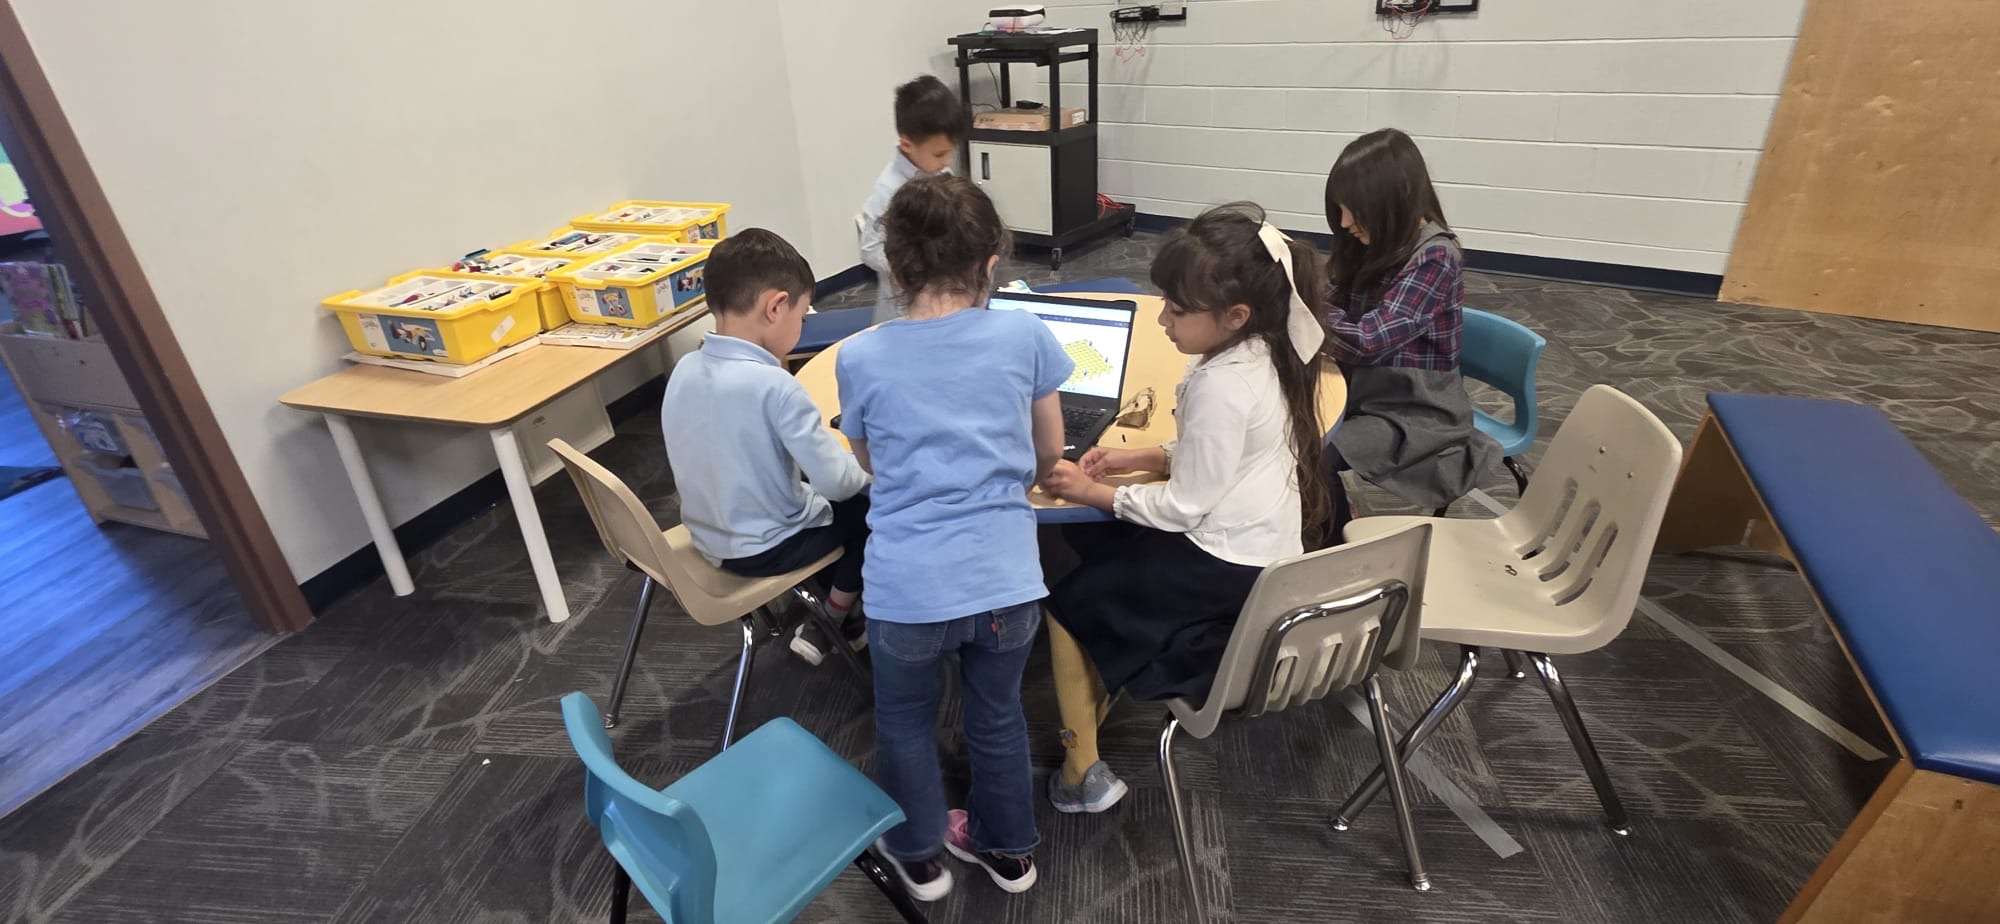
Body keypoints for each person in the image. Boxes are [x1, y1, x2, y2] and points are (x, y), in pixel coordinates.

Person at [1038, 203, 1332, 813]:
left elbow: (1184, 507)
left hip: (1228, 564)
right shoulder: (1267, 349)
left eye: (1176, 310)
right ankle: (1107, 676)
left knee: (1066, 605)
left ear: (1235, 315)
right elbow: (1222, 454)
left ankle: (1081, 771)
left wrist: (1092, 492)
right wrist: (1138, 456)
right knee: (1101, 544)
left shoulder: (1220, 385)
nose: (1163, 320)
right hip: (1264, 548)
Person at [836, 174, 1066, 900]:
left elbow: (869, 462)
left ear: (894, 267)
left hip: (906, 589)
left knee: (905, 721)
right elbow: (1049, 453)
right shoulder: (1025, 334)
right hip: (1007, 582)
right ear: (991, 263)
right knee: (997, 716)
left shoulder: (860, 355)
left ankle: (920, 856)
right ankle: (1008, 852)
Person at [658, 229, 870, 665]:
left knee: (818, 491)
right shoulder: (775, 386)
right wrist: (869, 467)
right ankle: (833, 620)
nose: (802, 325)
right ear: (776, 307)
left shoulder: (684, 368)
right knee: (871, 514)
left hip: (707, 535)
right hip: (765, 549)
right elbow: (838, 483)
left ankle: (836, 609)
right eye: (802, 316)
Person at [1320, 128, 1498, 532]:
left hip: (1414, 414)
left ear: (1390, 203)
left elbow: (1367, 342)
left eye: (1353, 210)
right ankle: (1326, 518)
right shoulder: (1369, 245)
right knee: (1286, 427)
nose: (1344, 223)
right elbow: (1330, 302)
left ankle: (1336, 542)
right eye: (1340, 210)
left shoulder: (1435, 256)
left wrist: (1298, 306)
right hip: (1367, 394)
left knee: (1311, 454)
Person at [860, 74, 967, 324]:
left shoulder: (940, 174)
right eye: (939, 154)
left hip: (943, 298)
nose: (947, 161)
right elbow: (869, 249)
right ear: (907, 144)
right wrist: (914, 267)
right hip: (902, 311)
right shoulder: (889, 189)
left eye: (951, 152)